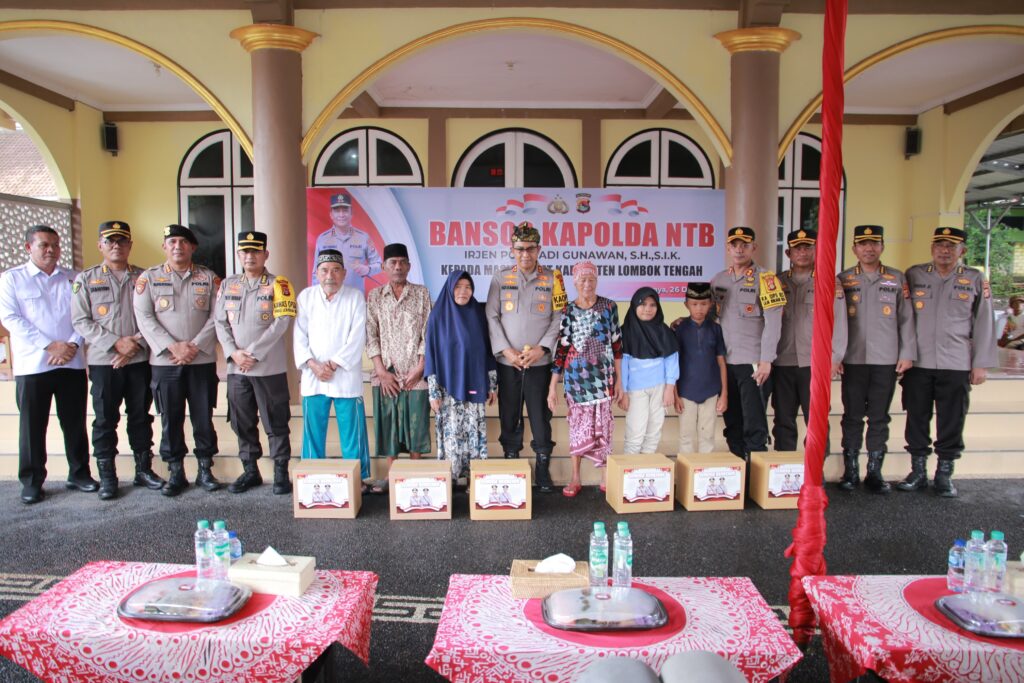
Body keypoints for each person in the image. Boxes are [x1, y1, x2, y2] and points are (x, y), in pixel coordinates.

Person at [897, 226, 996, 498]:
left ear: (961, 250)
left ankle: (944, 473)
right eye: (940, 245)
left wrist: (981, 363)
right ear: (932, 248)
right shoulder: (915, 275)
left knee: (952, 418)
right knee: (916, 416)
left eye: (951, 246)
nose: (944, 250)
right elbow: (904, 320)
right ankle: (917, 471)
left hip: (956, 361)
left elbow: (984, 322)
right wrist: (904, 353)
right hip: (919, 362)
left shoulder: (974, 278)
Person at [0, 225, 95, 504]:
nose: (51, 250)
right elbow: (11, 319)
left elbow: (84, 316)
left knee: (75, 423)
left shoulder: (73, 278)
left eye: (55, 244)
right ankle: (32, 481)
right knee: (32, 426)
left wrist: (72, 344)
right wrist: (49, 345)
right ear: (29, 248)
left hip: (71, 362)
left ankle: (79, 473)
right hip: (34, 366)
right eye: (44, 245)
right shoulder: (12, 279)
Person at [71, 220, 163, 500]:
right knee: (104, 420)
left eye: (121, 241)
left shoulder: (145, 278)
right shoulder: (85, 280)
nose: (116, 246)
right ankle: (108, 476)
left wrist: (133, 345)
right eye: (110, 241)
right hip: (104, 361)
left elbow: (155, 316)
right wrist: (115, 345)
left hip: (138, 360)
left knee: (140, 416)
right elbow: (80, 321)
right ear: (100, 245)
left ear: (130, 245)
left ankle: (143, 469)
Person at [134, 224, 223, 497]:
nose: (177, 246)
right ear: (164, 247)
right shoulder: (148, 279)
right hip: (165, 362)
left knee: (202, 417)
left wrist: (194, 346)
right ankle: (175, 471)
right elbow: (144, 317)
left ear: (192, 247)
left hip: (200, 360)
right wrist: (172, 346)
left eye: (183, 242)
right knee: (170, 419)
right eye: (172, 241)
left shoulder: (209, 278)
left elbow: (216, 316)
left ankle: (205, 470)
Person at [214, 231, 296, 495]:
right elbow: (219, 322)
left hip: (268, 368)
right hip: (236, 368)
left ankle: (281, 471)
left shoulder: (279, 284)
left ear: (265, 255)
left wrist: (252, 353)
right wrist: (233, 352)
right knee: (241, 420)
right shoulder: (228, 285)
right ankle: (250, 471)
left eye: (255, 251)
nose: (250, 256)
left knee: (276, 420)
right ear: (239, 255)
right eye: (245, 252)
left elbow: (282, 321)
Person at [837, 225, 916, 493]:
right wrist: (835, 355)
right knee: (852, 416)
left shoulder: (896, 278)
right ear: (854, 249)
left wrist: (907, 353)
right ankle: (850, 471)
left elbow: (906, 319)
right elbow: (833, 322)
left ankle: (874, 471)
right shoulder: (843, 279)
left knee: (879, 416)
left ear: (882, 246)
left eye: (874, 243)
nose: (868, 248)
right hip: (852, 358)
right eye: (863, 244)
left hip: (886, 358)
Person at [485, 221, 562, 493]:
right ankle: (511, 464)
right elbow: (491, 316)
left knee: (540, 417)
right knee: (509, 414)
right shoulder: (499, 277)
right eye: (520, 249)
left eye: (530, 248)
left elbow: (559, 317)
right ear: (512, 250)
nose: (525, 254)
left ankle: (542, 468)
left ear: (539, 249)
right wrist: (507, 351)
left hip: (539, 363)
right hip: (508, 363)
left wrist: (542, 348)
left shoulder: (555, 278)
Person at [294, 249, 371, 485]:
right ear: (317, 273)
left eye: (336, 270)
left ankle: (357, 482)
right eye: (325, 270)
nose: (330, 275)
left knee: (352, 436)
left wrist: (333, 364)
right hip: (313, 376)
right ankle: (312, 480)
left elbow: (358, 336)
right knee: (313, 434)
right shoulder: (305, 297)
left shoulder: (355, 297)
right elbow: (299, 335)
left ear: (345, 273)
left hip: (345, 377)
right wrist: (313, 364)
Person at [547, 261, 623, 497]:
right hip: (576, 382)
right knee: (577, 428)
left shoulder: (609, 307)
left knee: (605, 428)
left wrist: (620, 381)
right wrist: (552, 387)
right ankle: (575, 478)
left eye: (591, 279)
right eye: (582, 280)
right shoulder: (568, 311)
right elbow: (561, 350)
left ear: (597, 280)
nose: (587, 284)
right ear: (575, 282)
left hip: (603, 380)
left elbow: (618, 346)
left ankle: (605, 477)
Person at [709, 227, 784, 460]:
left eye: (744, 245)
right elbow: (709, 315)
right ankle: (738, 472)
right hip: (725, 363)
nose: (739, 249)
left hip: (753, 364)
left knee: (754, 422)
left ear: (754, 248)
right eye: (735, 245)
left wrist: (766, 360)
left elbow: (774, 323)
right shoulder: (719, 279)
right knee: (732, 421)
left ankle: (756, 476)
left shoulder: (767, 279)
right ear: (728, 248)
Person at [771, 229, 848, 453]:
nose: (802, 252)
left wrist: (835, 357)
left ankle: (815, 474)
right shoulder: (776, 282)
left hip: (814, 363)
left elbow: (840, 322)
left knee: (816, 421)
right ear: (788, 252)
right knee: (783, 420)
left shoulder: (828, 281)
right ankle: (785, 471)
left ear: (816, 251)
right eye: (797, 248)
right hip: (783, 361)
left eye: (807, 247)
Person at [365, 242, 432, 494]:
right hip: (386, 374)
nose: (398, 266)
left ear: (409, 266)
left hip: (416, 373)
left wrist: (420, 367)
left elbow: (428, 333)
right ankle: (393, 477)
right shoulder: (374, 296)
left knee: (416, 425)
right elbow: (371, 334)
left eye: (402, 262)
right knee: (390, 425)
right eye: (392, 263)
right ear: (383, 267)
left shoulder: (422, 294)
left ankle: (415, 475)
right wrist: (381, 371)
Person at [425, 271, 497, 481]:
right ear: (449, 288)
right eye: (458, 286)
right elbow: (431, 355)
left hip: (475, 385)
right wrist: (433, 392)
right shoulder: (438, 316)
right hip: (447, 391)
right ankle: (450, 481)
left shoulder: (478, 313)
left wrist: (492, 385)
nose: (463, 291)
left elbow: (488, 351)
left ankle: (475, 482)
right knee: (451, 436)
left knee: (474, 433)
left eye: (468, 287)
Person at [618, 287, 679, 454]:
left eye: (653, 305)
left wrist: (669, 389)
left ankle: (646, 472)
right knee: (635, 433)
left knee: (653, 433)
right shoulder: (626, 332)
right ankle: (630, 475)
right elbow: (622, 365)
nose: (648, 309)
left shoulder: (664, 330)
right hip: (635, 390)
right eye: (643, 304)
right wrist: (623, 392)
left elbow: (671, 360)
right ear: (634, 305)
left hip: (659, 389)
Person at [673, 283, 727, 453]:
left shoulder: (716, 329)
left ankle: (704, 476)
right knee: (685, 437)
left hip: (711, 391)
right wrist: (675, 395)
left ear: (711, 304)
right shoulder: (678, 329)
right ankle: (686, 478)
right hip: (685, 392)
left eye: (704, 304)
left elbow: (721, 362)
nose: (699, 309)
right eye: (694, 304)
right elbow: (673, 364)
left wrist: (724, 393)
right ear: (686, 305)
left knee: (708, 437)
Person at [311, 191, 382, 292]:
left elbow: (379, 264)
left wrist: (368, 269)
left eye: (345, 210)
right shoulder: (323, 239)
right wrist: (316, 298)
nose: (341, 215)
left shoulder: (363, 238)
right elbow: (315, 273)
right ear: (331, 214)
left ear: (351, 213)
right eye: (337, 211)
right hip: (330, 299)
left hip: (355, 298)